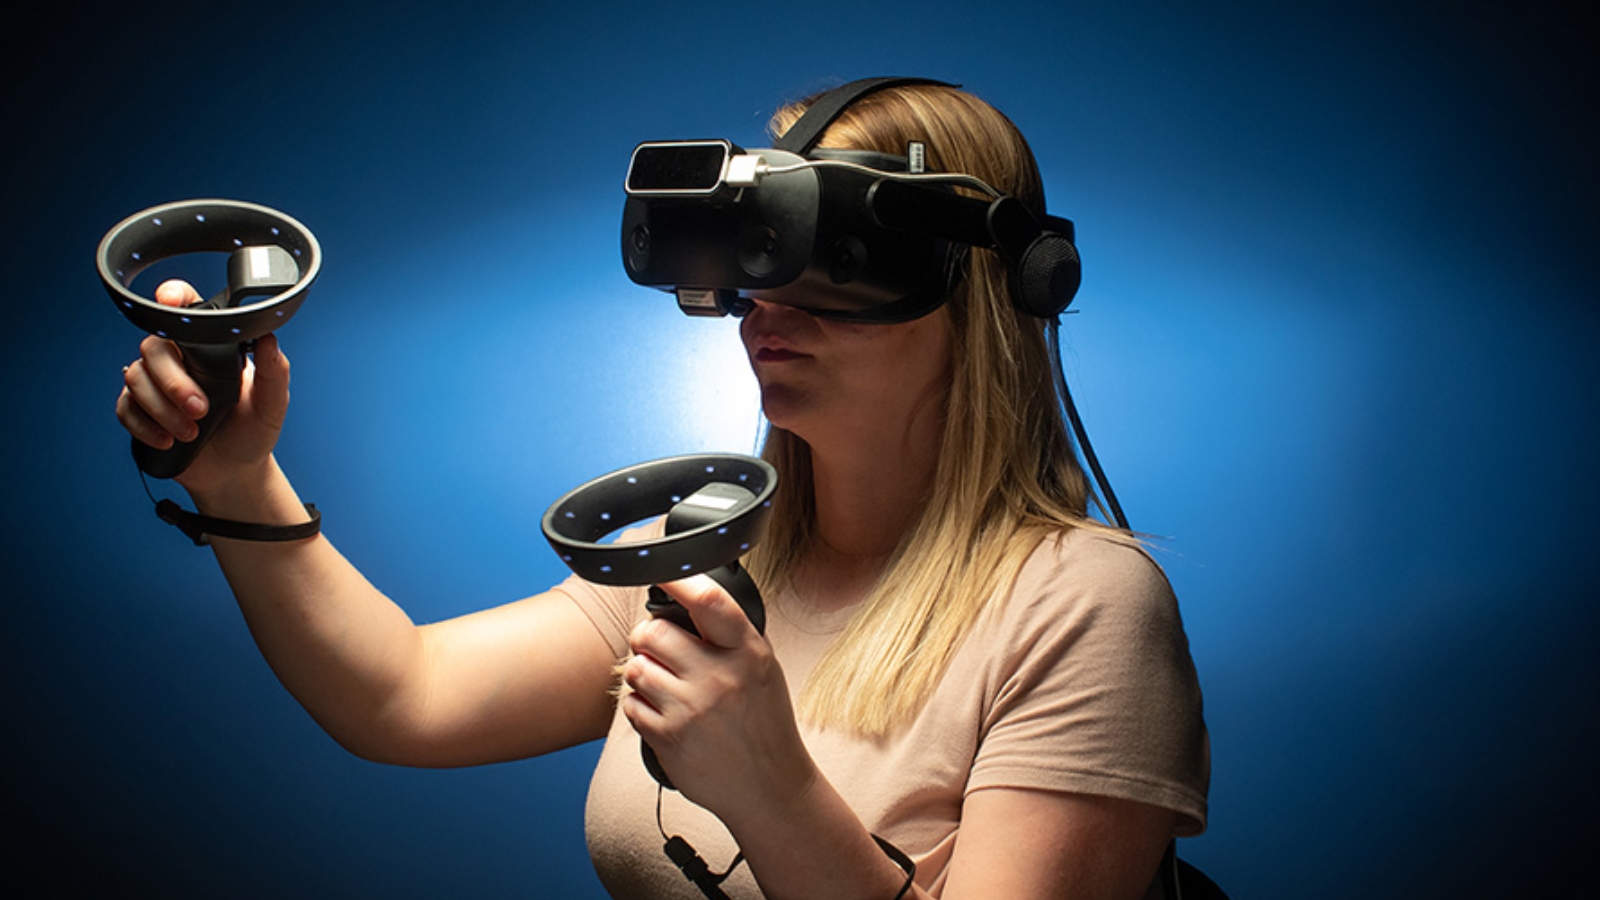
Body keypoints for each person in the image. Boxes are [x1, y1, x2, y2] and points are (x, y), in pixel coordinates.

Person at [115, 80, 1209, 900]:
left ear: (986, 288)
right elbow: (403, 694)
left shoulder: (1082, 604)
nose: (768, 302)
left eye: (837, 254)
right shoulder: (701, 559)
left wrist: (769, 789)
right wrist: (236, 476)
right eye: (760, 247)